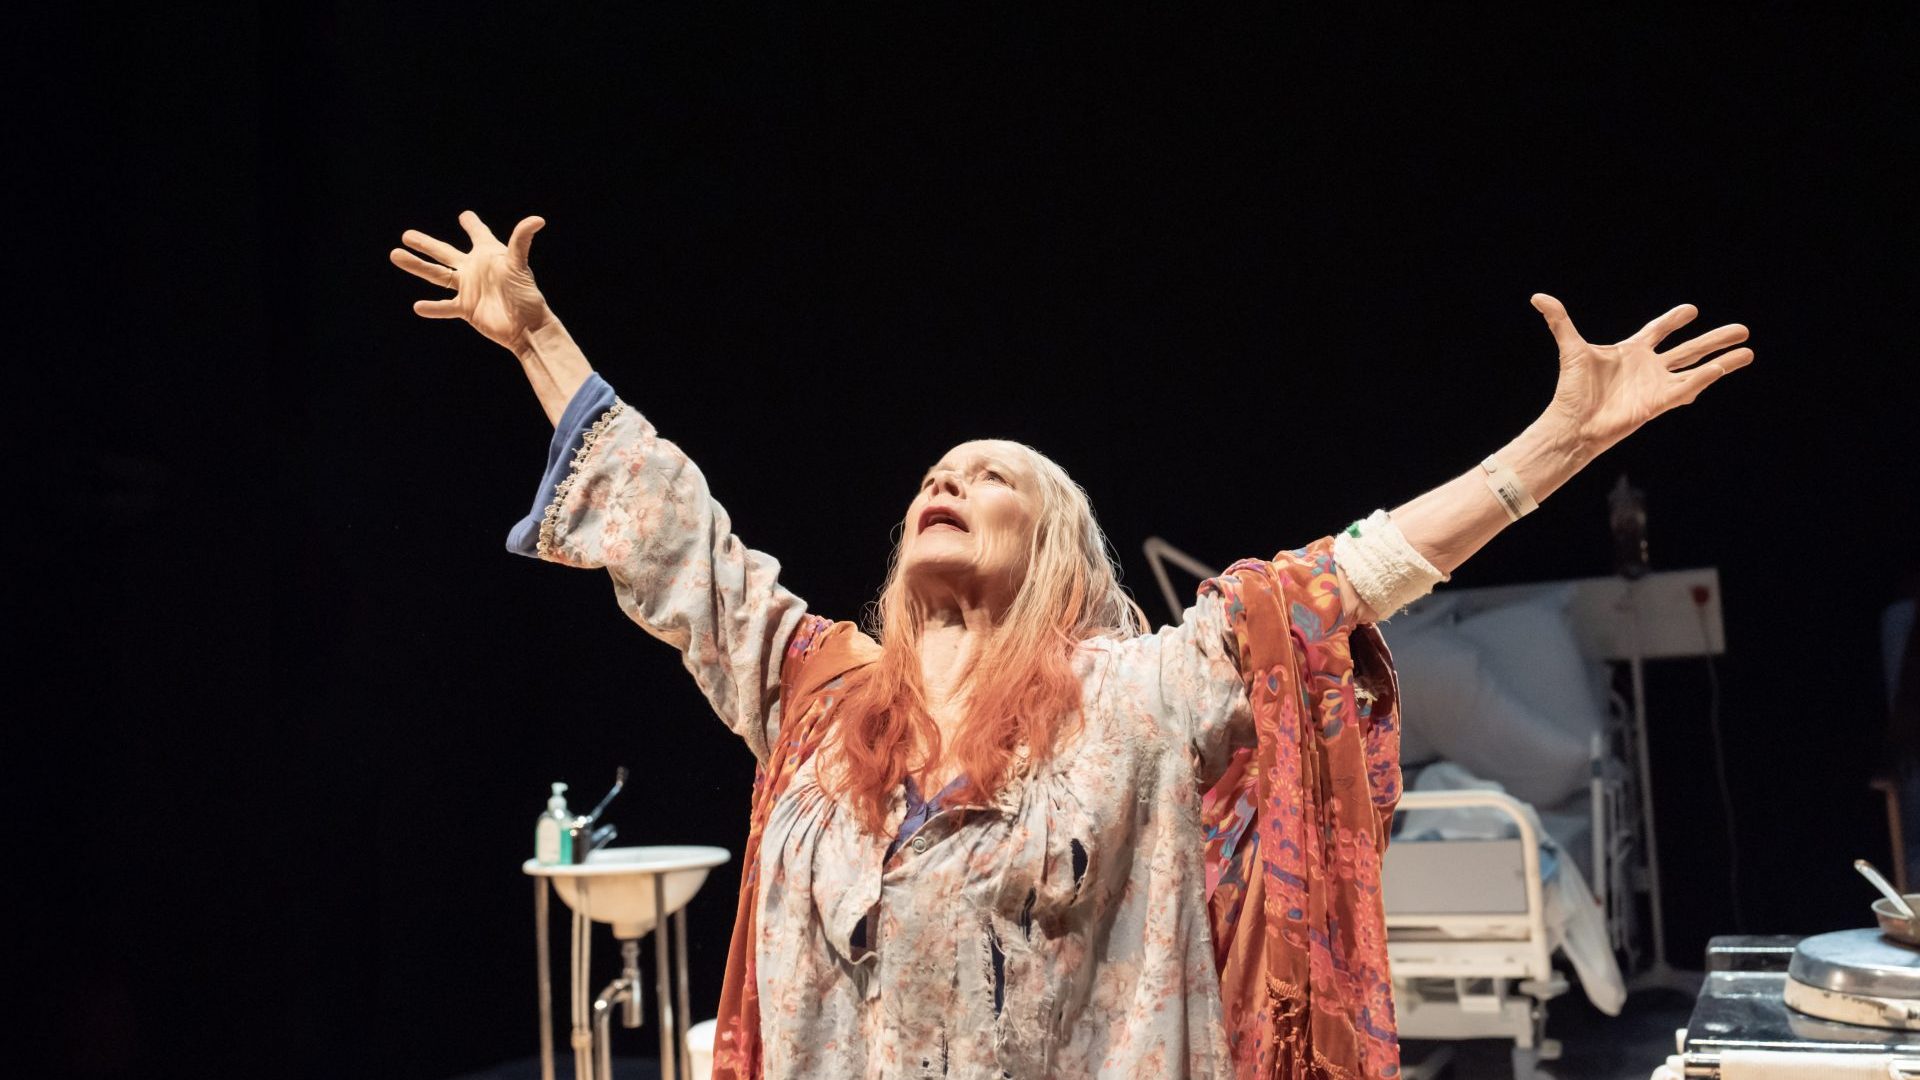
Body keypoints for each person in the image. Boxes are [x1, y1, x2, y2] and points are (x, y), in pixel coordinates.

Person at [390, 210, 1754, 1079]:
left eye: (989, 478)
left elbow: (1339, 583)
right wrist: (542, 339)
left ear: (1057, 550)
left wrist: (1556, 445)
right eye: (932, 473)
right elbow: (672, 534)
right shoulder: (815, 695)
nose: (945, 481)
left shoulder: (1141, 695)